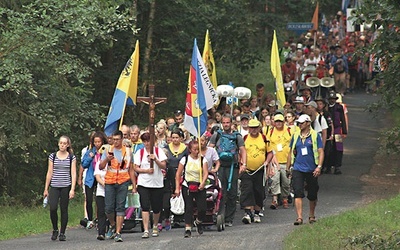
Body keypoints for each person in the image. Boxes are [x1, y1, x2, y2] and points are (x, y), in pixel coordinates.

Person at [209, 114, 247, 227]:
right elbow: (210, 149)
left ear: (231, 123)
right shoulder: (216, 135)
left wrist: (243, 164)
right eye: (224, 123)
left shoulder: (237, 136)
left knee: (232, 193)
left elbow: (243, 151)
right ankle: (219, 215)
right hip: (219, 168)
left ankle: (229, 218)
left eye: (228, 123)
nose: (226, 125)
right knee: (220, 192)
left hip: (232, 168)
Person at [286, 114, 324, 226]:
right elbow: (290, 152)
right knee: (298, 192)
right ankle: (299, 217)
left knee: (312, 193)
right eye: (298, 123)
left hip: (312, 169)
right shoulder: (296, 135)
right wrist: (288, 167)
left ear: (308, 123)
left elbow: (321, 151)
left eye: (302, 123)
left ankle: (311, 215)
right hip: (298, 167)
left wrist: (319, 167)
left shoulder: (315, 136)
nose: (300, 125)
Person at [99, 130, 135, 242]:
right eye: (113, 139)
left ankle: (118, 232)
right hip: (110, 181)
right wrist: (106, 159)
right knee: (108, 208)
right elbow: (100, 166)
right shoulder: (107, 150)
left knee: (120, 207)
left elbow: (131, 169)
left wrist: (134, 185)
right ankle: (113, 224)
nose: (115, 141)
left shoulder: (128, 152)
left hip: (123, 181)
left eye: (117, 139)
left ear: (122, 140)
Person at [133, 132, 168, 239]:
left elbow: (164, 165)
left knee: (157, 207)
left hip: (157, 183)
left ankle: (155, 225)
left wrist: (155, 159)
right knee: (145, 206)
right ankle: (146, 229)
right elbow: (136, 167)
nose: (147, 143)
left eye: (148, 141)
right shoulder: (140, 152)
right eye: (145, 141)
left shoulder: (158, 151)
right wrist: (146, 170)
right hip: (144, 182)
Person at [43, 135, 77, 241]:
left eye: (64, 143)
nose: (62, 145)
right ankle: (55, 229)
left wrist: (72, 189)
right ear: (58, 144)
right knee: (53, 208)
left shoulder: (71, 157)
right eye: (61, 143)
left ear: (67, 145)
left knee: (64, 209)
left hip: (65, 186)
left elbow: (73, 173)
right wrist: (46, 188)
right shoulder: (52, 156)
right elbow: (49, 172)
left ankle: (62, 232)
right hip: (54, 186)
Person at [174, 140, 209, 238]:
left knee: (202, 208)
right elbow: (178, 174)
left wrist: (203, 183)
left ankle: (198, 221)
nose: (197, 151)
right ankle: (188, 228)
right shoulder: (184, 160)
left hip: (200, 185)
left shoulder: (203, 160)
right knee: (188, 207)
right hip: (187, 185)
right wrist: (177, 188)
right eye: (194, 149)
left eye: (198, 149)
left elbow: (206, 172)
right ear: (190, 150)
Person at [240, 119, 272, 224]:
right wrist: (241, 163)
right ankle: (248, 213)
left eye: (255, 128)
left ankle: (257, 212)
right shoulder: (244, 138)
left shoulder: (264, 138)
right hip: (247, 170)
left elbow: (270, 153)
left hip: (260, 170)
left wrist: (267, 162)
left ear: (259, 128)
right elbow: (240, 151)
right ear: (248, 128)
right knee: (247, 190)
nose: (253, 130)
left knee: (259, 191)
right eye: (251, 128)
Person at [161, 129, 188, 230]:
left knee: (182, 195)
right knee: (171, 196)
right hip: (170, 173)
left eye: (177, 137)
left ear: (181, 138)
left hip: (182, 173)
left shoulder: (185, 149)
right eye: (173, 137)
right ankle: (169, 216)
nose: (175, 139)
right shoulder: (166, 148)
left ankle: (180, 216)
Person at [81, 131, 108, 229]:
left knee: (100, 199)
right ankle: (89, 219)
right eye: (95, 142)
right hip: (90, 178)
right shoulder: (90, 151)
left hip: (101, 177)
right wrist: (89, 157)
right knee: (88, 199)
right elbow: (83, 164)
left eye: (99, 142)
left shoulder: (105, 150)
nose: (97, 144)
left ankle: (99, 218)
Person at [266, 114, 292, 209]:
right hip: (274, 160)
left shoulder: (289, 131)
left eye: (280, 121)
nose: (278, 123)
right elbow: (269, 147)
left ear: (283, 121)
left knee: (286, 182)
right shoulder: (271, 131)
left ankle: (285, 198)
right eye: (277, 121)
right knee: (274, 180)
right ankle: (275, 199)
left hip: (286, 161)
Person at [327, 91, 347, 174]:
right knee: (328, 148)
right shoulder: (326, 107)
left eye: (333, 99)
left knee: (338, 148)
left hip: (337, 129)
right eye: (331, 99)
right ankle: (328, 166)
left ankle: (337, 166)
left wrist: (344, 131)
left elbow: (342, 119)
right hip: (328, 130)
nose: (332, 101)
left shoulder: (339, 107)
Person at [94, 147, 108, 240]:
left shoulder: (114, 163)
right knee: (101, 211)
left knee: (110, 210)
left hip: (112, 190)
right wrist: (104, 184)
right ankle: (101, 232)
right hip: (101, 190)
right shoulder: (99, 163)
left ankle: (112, 227)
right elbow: (97, 176)